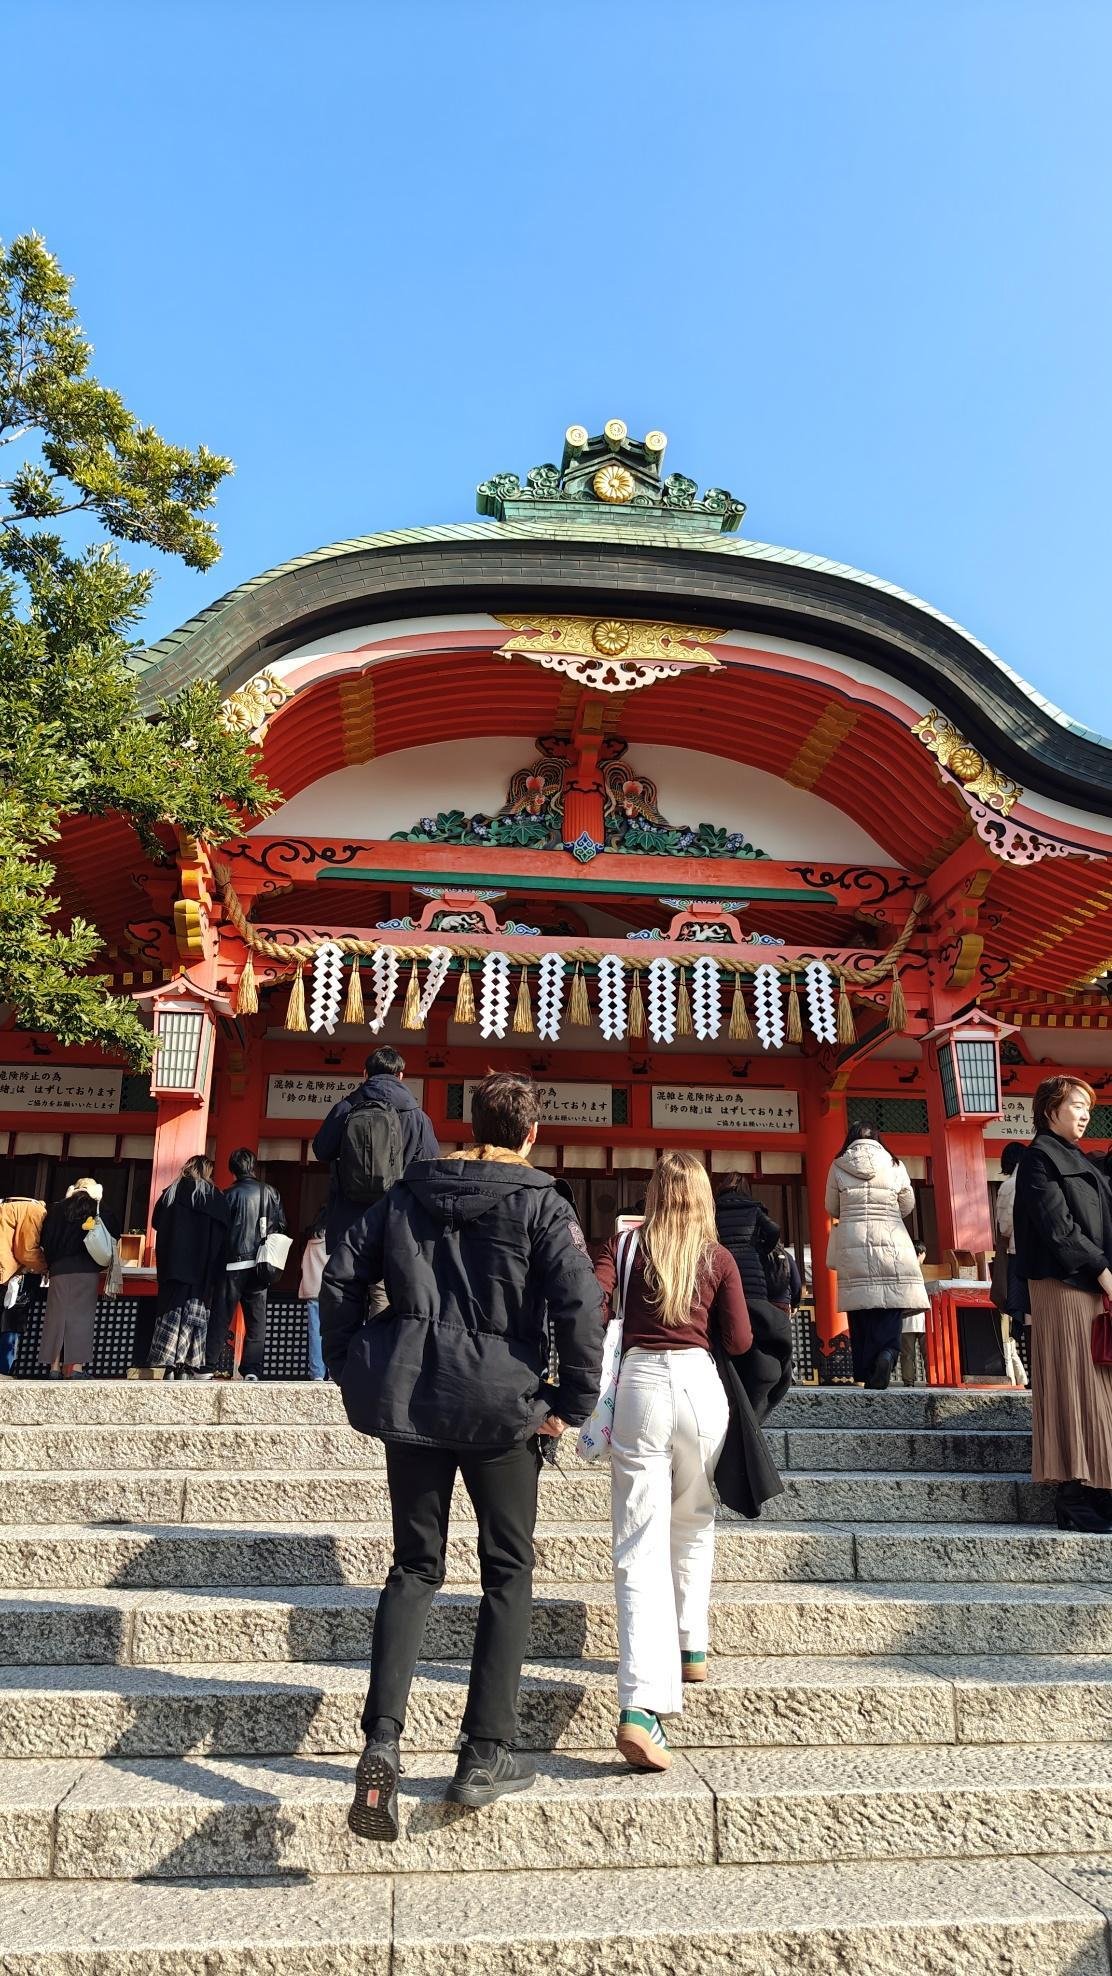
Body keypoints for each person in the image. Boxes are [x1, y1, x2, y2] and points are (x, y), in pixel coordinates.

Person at [320, 1070, 603, 1842]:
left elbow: (342, 1271)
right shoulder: (542, 1202)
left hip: (412, 1394)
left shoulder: (406, 1193)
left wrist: (350, 1360)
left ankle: (382, 1738)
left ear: (467, 1122)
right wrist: (570, 1404)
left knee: (414, 1566)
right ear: (531, 1133)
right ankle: (484, 1751)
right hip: (503, 1403)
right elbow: (582, 1303)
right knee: (507, 1569)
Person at [596, 1151, 752, 1773]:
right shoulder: (717, 1257)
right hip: (699, 1385)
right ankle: (692, 1643)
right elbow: (739, 1340)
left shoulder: (627, 1247)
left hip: (640, 1384)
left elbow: (594, 1297)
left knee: (638, 1543)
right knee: (695, 1516)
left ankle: (640, 1704)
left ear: (654, 1193)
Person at [1013, 1076, 1112, 1534]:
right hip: (1064, 1285)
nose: (1085, 1113)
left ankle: (1098, 1489)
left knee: (1097, 1388)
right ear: (1051, 1108)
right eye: (1077, 1104)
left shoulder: (1080, 1159)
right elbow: (1059, 1229)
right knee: (1077, 1387)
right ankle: (1075, 1494)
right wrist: (1104, 1271)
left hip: (1090, 1285)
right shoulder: (1039, 1160)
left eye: (1088, 1106)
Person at [825, 1122, 928, 1390]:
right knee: (890, 1306)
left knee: (861, 1309)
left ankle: (867, 1369)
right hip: (891, 1238)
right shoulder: (895, 1165)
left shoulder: (839, 1165)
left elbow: (831, 1206)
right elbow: (907, 1203)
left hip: (853, 1240)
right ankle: (887, 1354)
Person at [312, 1046, 439, 1255]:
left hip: (349, 1222)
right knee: (385, 1285)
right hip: (396, 1218)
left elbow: (321, 1150)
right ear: (400, 1076)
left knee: (348, 1282)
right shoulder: (417, 1117)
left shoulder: (345, 1108)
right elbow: (429, 1164)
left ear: (365, 1073)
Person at [714, 1174, 793, 1418]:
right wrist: (759, 1246)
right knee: (754, 1329)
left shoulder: (713, 1210)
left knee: (724, 1325)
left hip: (722, 1273)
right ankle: (755, 1378)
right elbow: (774, 1230)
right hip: (752, 1277)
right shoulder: (754, 1209)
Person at [203, 1149, 286, 1381]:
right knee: (256, 1320)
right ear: (253, 1166)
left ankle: (208, 1364)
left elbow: (217, 1232)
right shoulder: (271, 1192)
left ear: (232, 1169)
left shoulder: (227, 1194)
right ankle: (252, 1369)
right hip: (260, 1264)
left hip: (232, 1264)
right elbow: (280, 1224)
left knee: (221, 1315)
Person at [149, 1157, 229, 1379]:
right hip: (201, 1267)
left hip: (173, 1265)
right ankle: (187, 1362)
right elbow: (224, 1230)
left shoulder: (171, 1193)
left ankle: (168, 1363)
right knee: (194, 1314)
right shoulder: (213, 1196)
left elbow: (157, 1223)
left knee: (170, 1310)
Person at [39, 1179, 112, 1377]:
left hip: (58, 1269)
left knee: (55, 1317)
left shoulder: (56, 1209)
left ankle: (54, 1367)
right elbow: (113, 1230)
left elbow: (44, 1238)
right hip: (85, 1267)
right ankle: (77, 1368)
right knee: (81, 1318)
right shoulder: (96, 1206)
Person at [993, 1142, 1030, 1388]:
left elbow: (1004, 1226)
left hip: (1018, 1256)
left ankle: (1033, 1374)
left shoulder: (1009, 1186)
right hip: (1047, 1258)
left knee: (1027, 1316)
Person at [0, 1196, 47, 1377]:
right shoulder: (34, 1211)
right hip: (10, 1274)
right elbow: (26, 1251)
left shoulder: (7, 1207)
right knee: (10, 1324)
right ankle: (3, 1369)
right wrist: (47, 1267)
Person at [298, 1212, 329, 1381]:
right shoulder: (336, 1240)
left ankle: (317, 1372)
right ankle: (333, 1371)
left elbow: (304, 1264)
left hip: (313, 1291)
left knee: (315, 1332)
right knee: (334, 1331)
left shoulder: (311, 1242)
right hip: (332, 1291)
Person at [899, 1242, 930, 1387]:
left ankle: (908, 1381)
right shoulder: (926, 1271)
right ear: (920, 1253)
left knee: (907, 1354)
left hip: (906, 1320)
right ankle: (932, 1378)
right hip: (923, 1318)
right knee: (928, 1353)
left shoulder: (901, 1269)